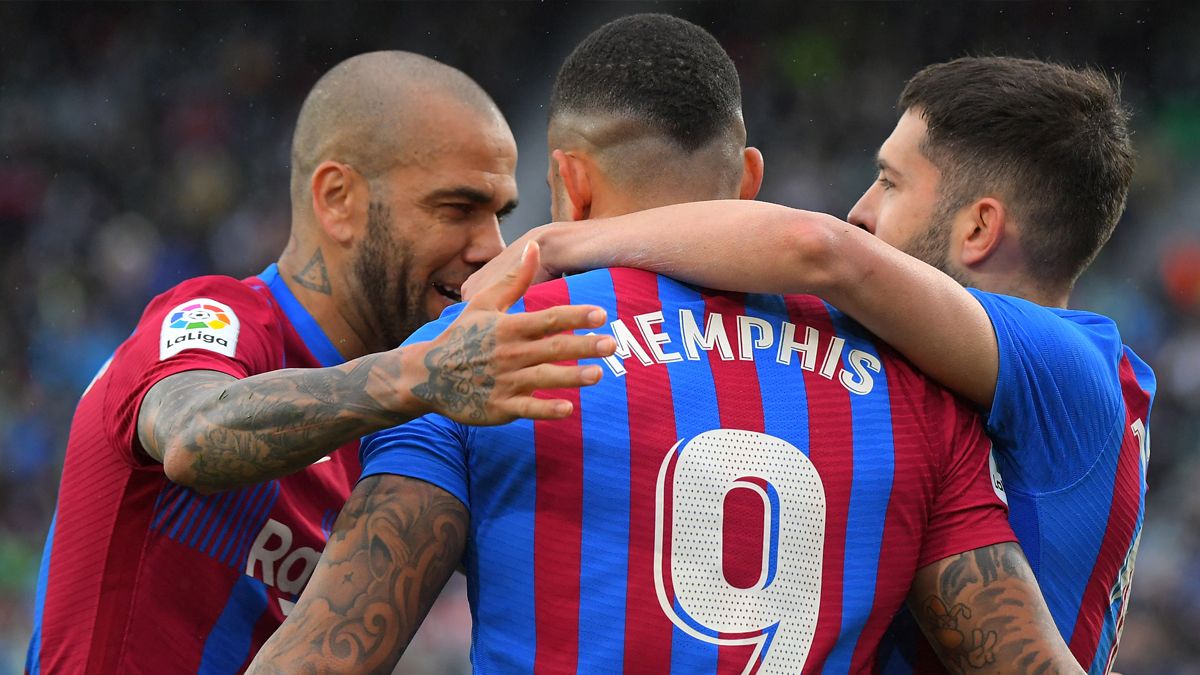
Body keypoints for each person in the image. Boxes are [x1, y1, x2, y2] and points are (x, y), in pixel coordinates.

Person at [252, 16, 1082, 674]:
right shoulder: (913, 379)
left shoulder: (484, 357)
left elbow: (326, 655)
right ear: (748, 180)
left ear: (569, 183)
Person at [470, 55, 1156, 673]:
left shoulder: (1070, 367)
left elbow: (819, 249)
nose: (859, 210)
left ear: (978, 228)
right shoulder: (980, 379)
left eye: (888, 183)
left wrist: (559, 243)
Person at [25, 51, 616, 674]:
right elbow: (194, 435)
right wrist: (420, 374)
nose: (490, 248)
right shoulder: (220, 317)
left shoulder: (410, 434)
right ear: (337, 199)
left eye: (499, 215)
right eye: (456, 209)